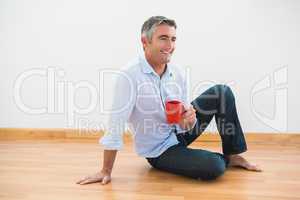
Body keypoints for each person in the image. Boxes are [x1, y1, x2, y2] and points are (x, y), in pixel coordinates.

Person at [76, 16, 262, 185]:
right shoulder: (129, 76)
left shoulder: (178, 72)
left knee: (222, 92)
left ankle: (233, 154)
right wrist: (105, 170)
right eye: (163, 38)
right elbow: (115, 124)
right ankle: (221, 160)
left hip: (179, 132)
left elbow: (185, 121)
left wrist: (189, 120)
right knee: (214, 167)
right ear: (145, 41)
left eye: (173, 39)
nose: (170, 45)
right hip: (160, 150)